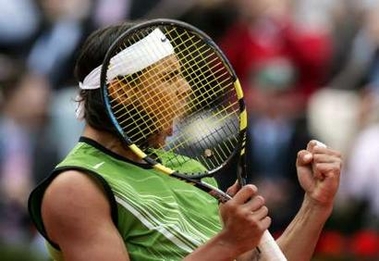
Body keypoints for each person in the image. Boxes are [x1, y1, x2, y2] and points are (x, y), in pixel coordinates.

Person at [28, 21, 342, 261]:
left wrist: (315, 205)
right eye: (169, 77)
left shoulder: (186, 169)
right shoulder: (77, 186)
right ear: (121, 91)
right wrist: (226, 243)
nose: (185, 89)